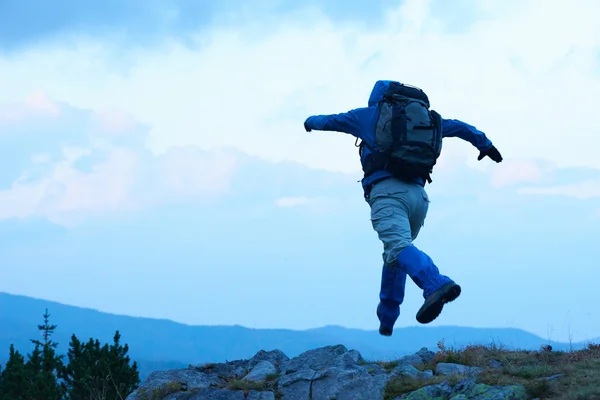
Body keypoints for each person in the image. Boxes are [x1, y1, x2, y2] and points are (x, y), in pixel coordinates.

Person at [303, 80, 503, 336]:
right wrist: (485, 145)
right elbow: (461, 128)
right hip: (419, 198)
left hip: (388, 194)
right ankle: (387, 319)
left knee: (398, 248)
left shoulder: (370, 115)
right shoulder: (428, 120)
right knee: (395, 255)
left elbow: (328, 121)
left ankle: (435, 283)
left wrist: (309, 122)